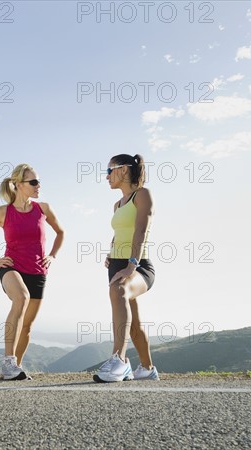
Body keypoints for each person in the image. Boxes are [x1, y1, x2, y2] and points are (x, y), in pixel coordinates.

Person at [0, 164, 64, 380]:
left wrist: (53, 255)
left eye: (39, 181)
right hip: (11, 267)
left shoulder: (44, 209)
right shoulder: (1, 212)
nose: (38, 185)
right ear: (19, 185)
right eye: (33, 182)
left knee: (27, 326)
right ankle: (8, 363)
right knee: (21, 298)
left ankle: (15, 367)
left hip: (38, 271)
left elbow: (61, 232)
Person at [94, 154, 159, 383]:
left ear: (122, 170)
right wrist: (111, 253)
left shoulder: (142, 195)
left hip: (139, 265)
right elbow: (119, 232)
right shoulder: (117, 204)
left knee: (119, 290)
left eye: (109, 171)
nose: (106, 176)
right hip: (117, 264)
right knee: (134, 322)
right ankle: (147, 368)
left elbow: (141, 229)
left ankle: (119, 360)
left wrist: (132, 264)